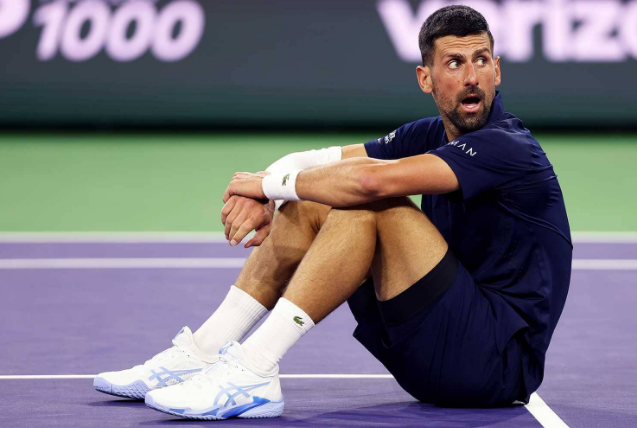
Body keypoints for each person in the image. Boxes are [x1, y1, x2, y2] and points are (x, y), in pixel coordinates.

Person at [93, 5, 572, 420]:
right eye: (454, 63)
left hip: (494, 365)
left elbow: (368, 183)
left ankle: (254, 370)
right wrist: (270, 189)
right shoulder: (428, 133)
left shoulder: (509, 147)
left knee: (370, 204)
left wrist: (264, 186)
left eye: (481, 61)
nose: (471, 77)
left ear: (497, 71)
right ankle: (204, 352)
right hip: (430, 357)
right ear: (425, 78)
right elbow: (312, 163)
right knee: (314, 196)